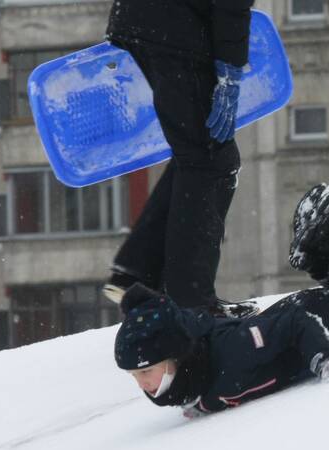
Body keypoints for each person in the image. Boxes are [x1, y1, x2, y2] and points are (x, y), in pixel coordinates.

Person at [114, 172, 329, 415]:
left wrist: (326, 360)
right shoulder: (194, 379)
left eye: (146, 371)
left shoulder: (231, 357)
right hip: (320, 309)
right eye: (136, 376)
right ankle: (327, 250)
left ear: (174, 357)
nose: (143, 383)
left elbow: (295, 323)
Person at [102, 0, 258, 319]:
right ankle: (191, 302)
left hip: (147, 21)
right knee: (211, 160)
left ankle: (136, 272)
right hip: (174, 29)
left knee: (196, 154)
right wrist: (229, 68)